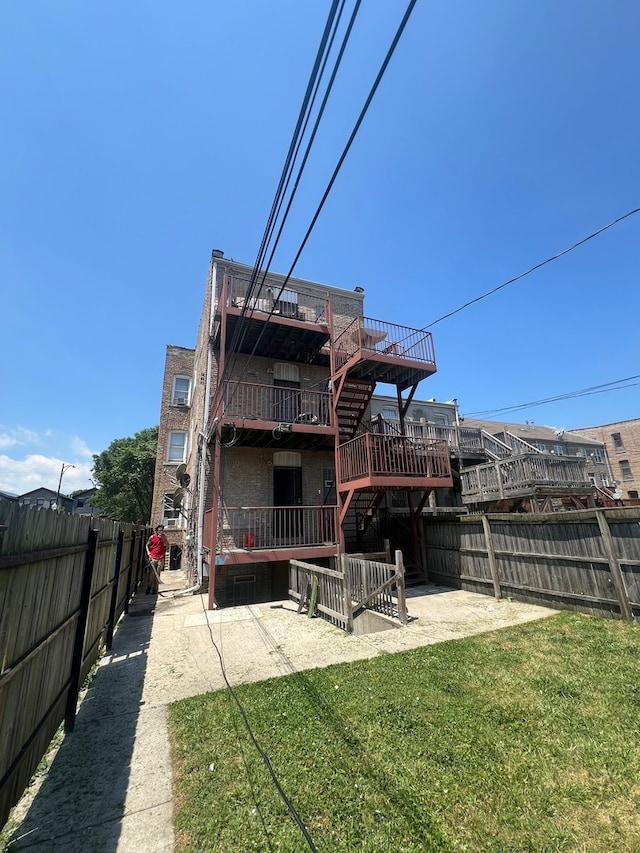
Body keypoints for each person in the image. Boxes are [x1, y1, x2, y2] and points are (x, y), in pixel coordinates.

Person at [145, 525, 168, 594]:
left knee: (157, 574)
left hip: (160, 558)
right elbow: (147, 545)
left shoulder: (163, 537)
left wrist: (164, 540)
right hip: (153, 557)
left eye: (162, 530)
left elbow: (167, 545)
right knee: (152, 573)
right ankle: (149, 587)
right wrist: (149, 553)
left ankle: (155, 589)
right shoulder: (152, 537)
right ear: (157, 531)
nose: (161, 532)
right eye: (160, 530)